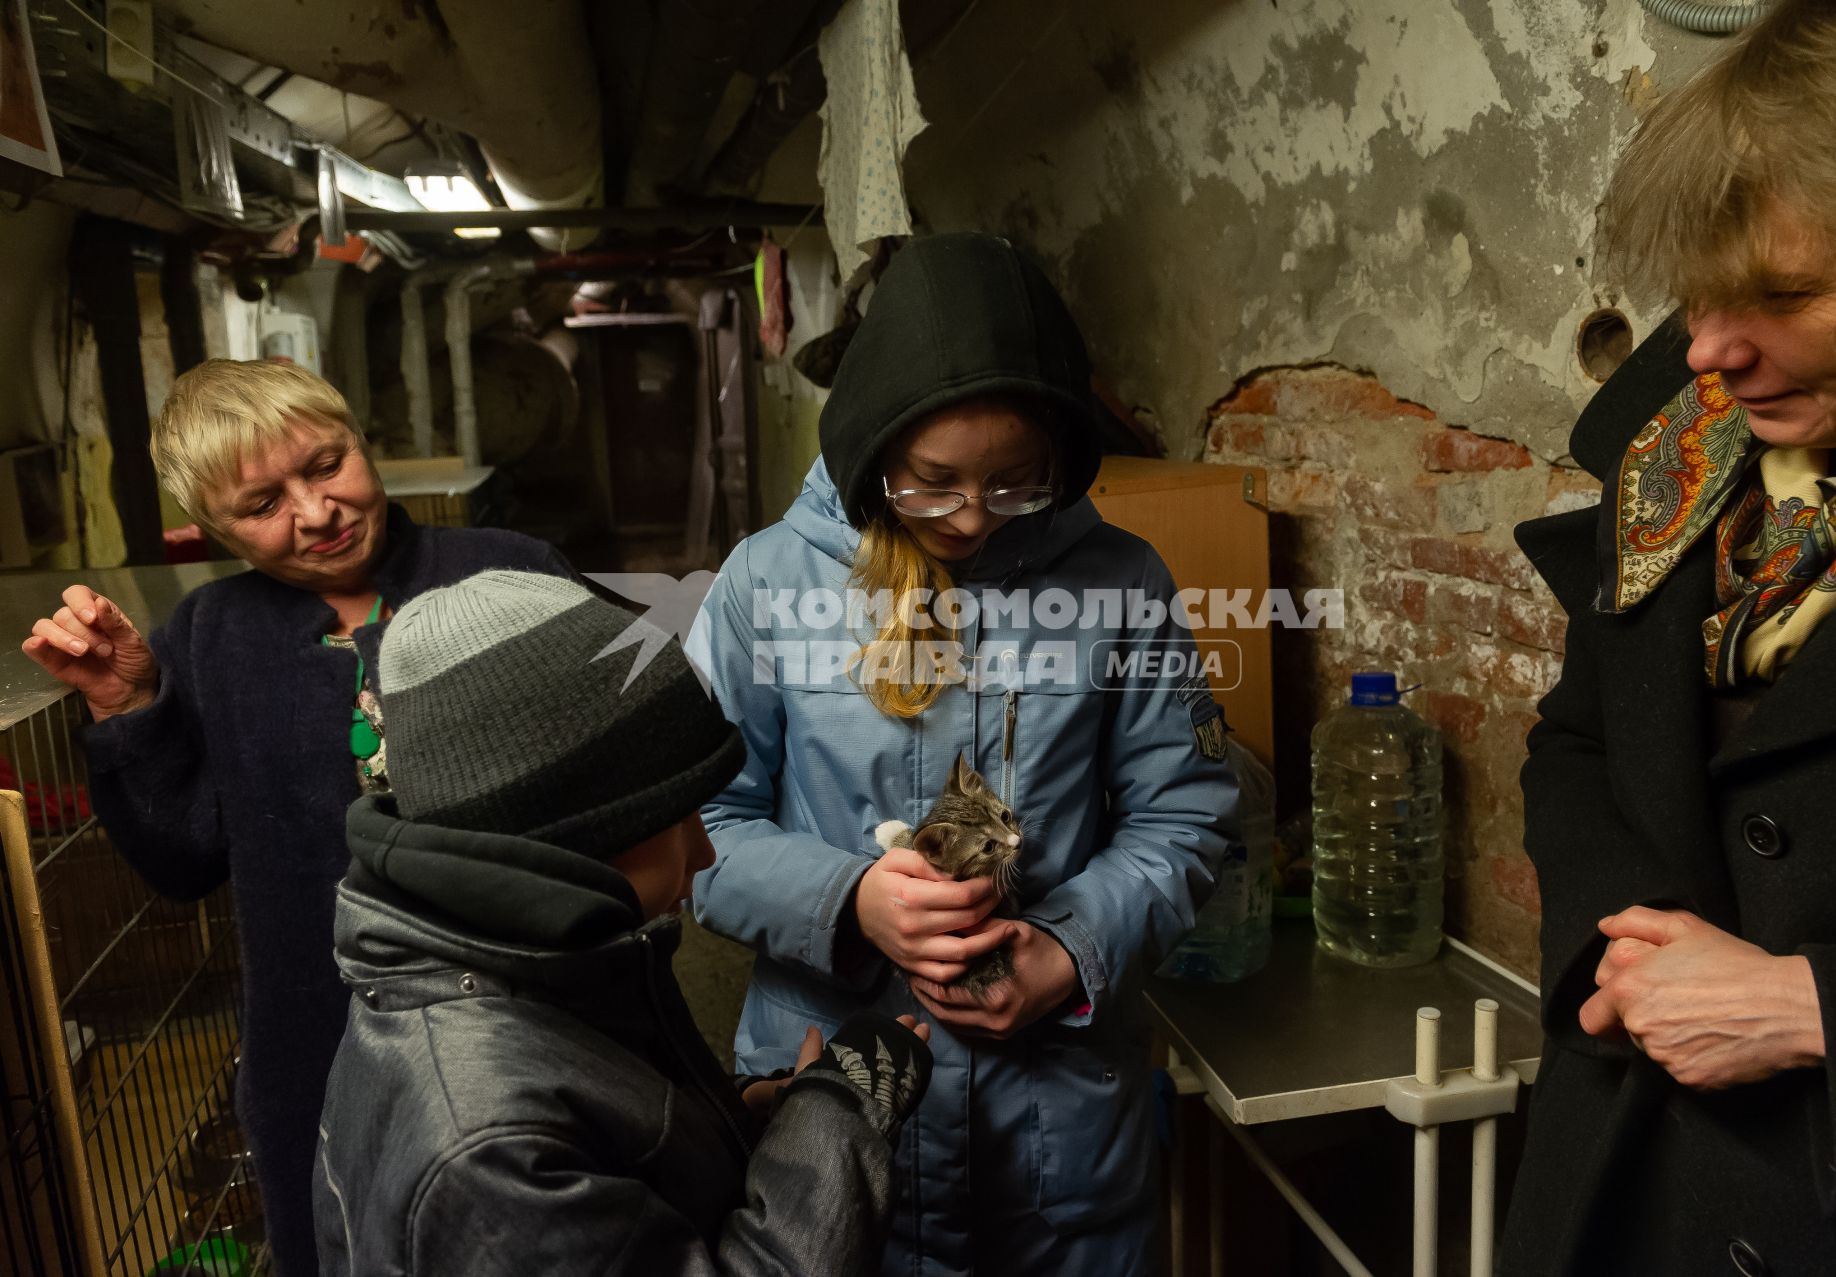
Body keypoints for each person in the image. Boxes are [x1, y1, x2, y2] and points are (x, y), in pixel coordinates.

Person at [689, 231, 1239, 1275]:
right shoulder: (764, 584)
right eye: (932, 483)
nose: (972, 516)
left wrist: (1069, 948)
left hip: (1064, 1135)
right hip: (840, 1120)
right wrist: (850, 899)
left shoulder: (1120, 578)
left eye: (1015, 481)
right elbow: (699, 824)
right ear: (869, 445)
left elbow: (1189, 810)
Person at [1505, 2, 1836, 1272]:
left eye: (1786, 292)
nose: (1710, 350)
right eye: (1698, 294)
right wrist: (1619, 948)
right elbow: (1579, 741)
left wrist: (1824, 1014)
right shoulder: (1683, 453)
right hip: (1627, 1186)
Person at [17, 360, 571, 1277]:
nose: (317, 512)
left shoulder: (511, 569)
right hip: (319, 1044)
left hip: (544, 1008)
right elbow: (181, 861)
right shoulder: (208, 636)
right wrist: (130, 710)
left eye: (327, 464)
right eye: (263, 503)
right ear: (211, 526)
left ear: (360, 440)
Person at [312, 570, 935, 1276]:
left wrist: (738, 1124)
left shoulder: (526, 965)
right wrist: (834, 1131)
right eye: (676, 818)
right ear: (573, 838)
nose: (704, 853)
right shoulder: (489, 1146)